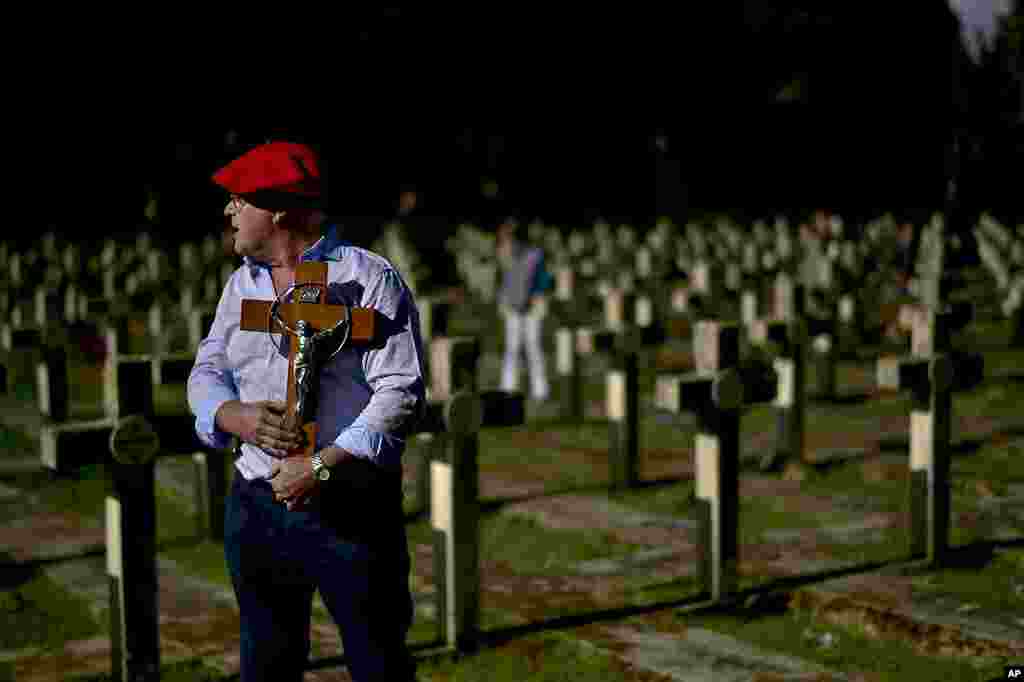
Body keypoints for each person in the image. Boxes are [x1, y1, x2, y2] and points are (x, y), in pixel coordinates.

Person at [187, 141, 424, 682]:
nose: (228, 212)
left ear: (276, 209)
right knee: (266, 661)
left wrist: (320, 465)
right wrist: (232, 415)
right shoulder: (240, 285)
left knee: (377, 662)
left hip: (351, 505)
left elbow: (400, 393)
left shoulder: (368, 279)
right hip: (256, 505)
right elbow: (206, 370)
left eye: (238, 200)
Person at [496, 216, 552, 401]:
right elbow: (504, 281)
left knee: (534, 347)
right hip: (513, 308)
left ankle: (540, 390)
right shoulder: (505, 254)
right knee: (512, 348)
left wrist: (536, 297)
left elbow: (543, 281)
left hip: (532, 308)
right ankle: (508, 388)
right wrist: (504, 302)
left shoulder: (535, 255)